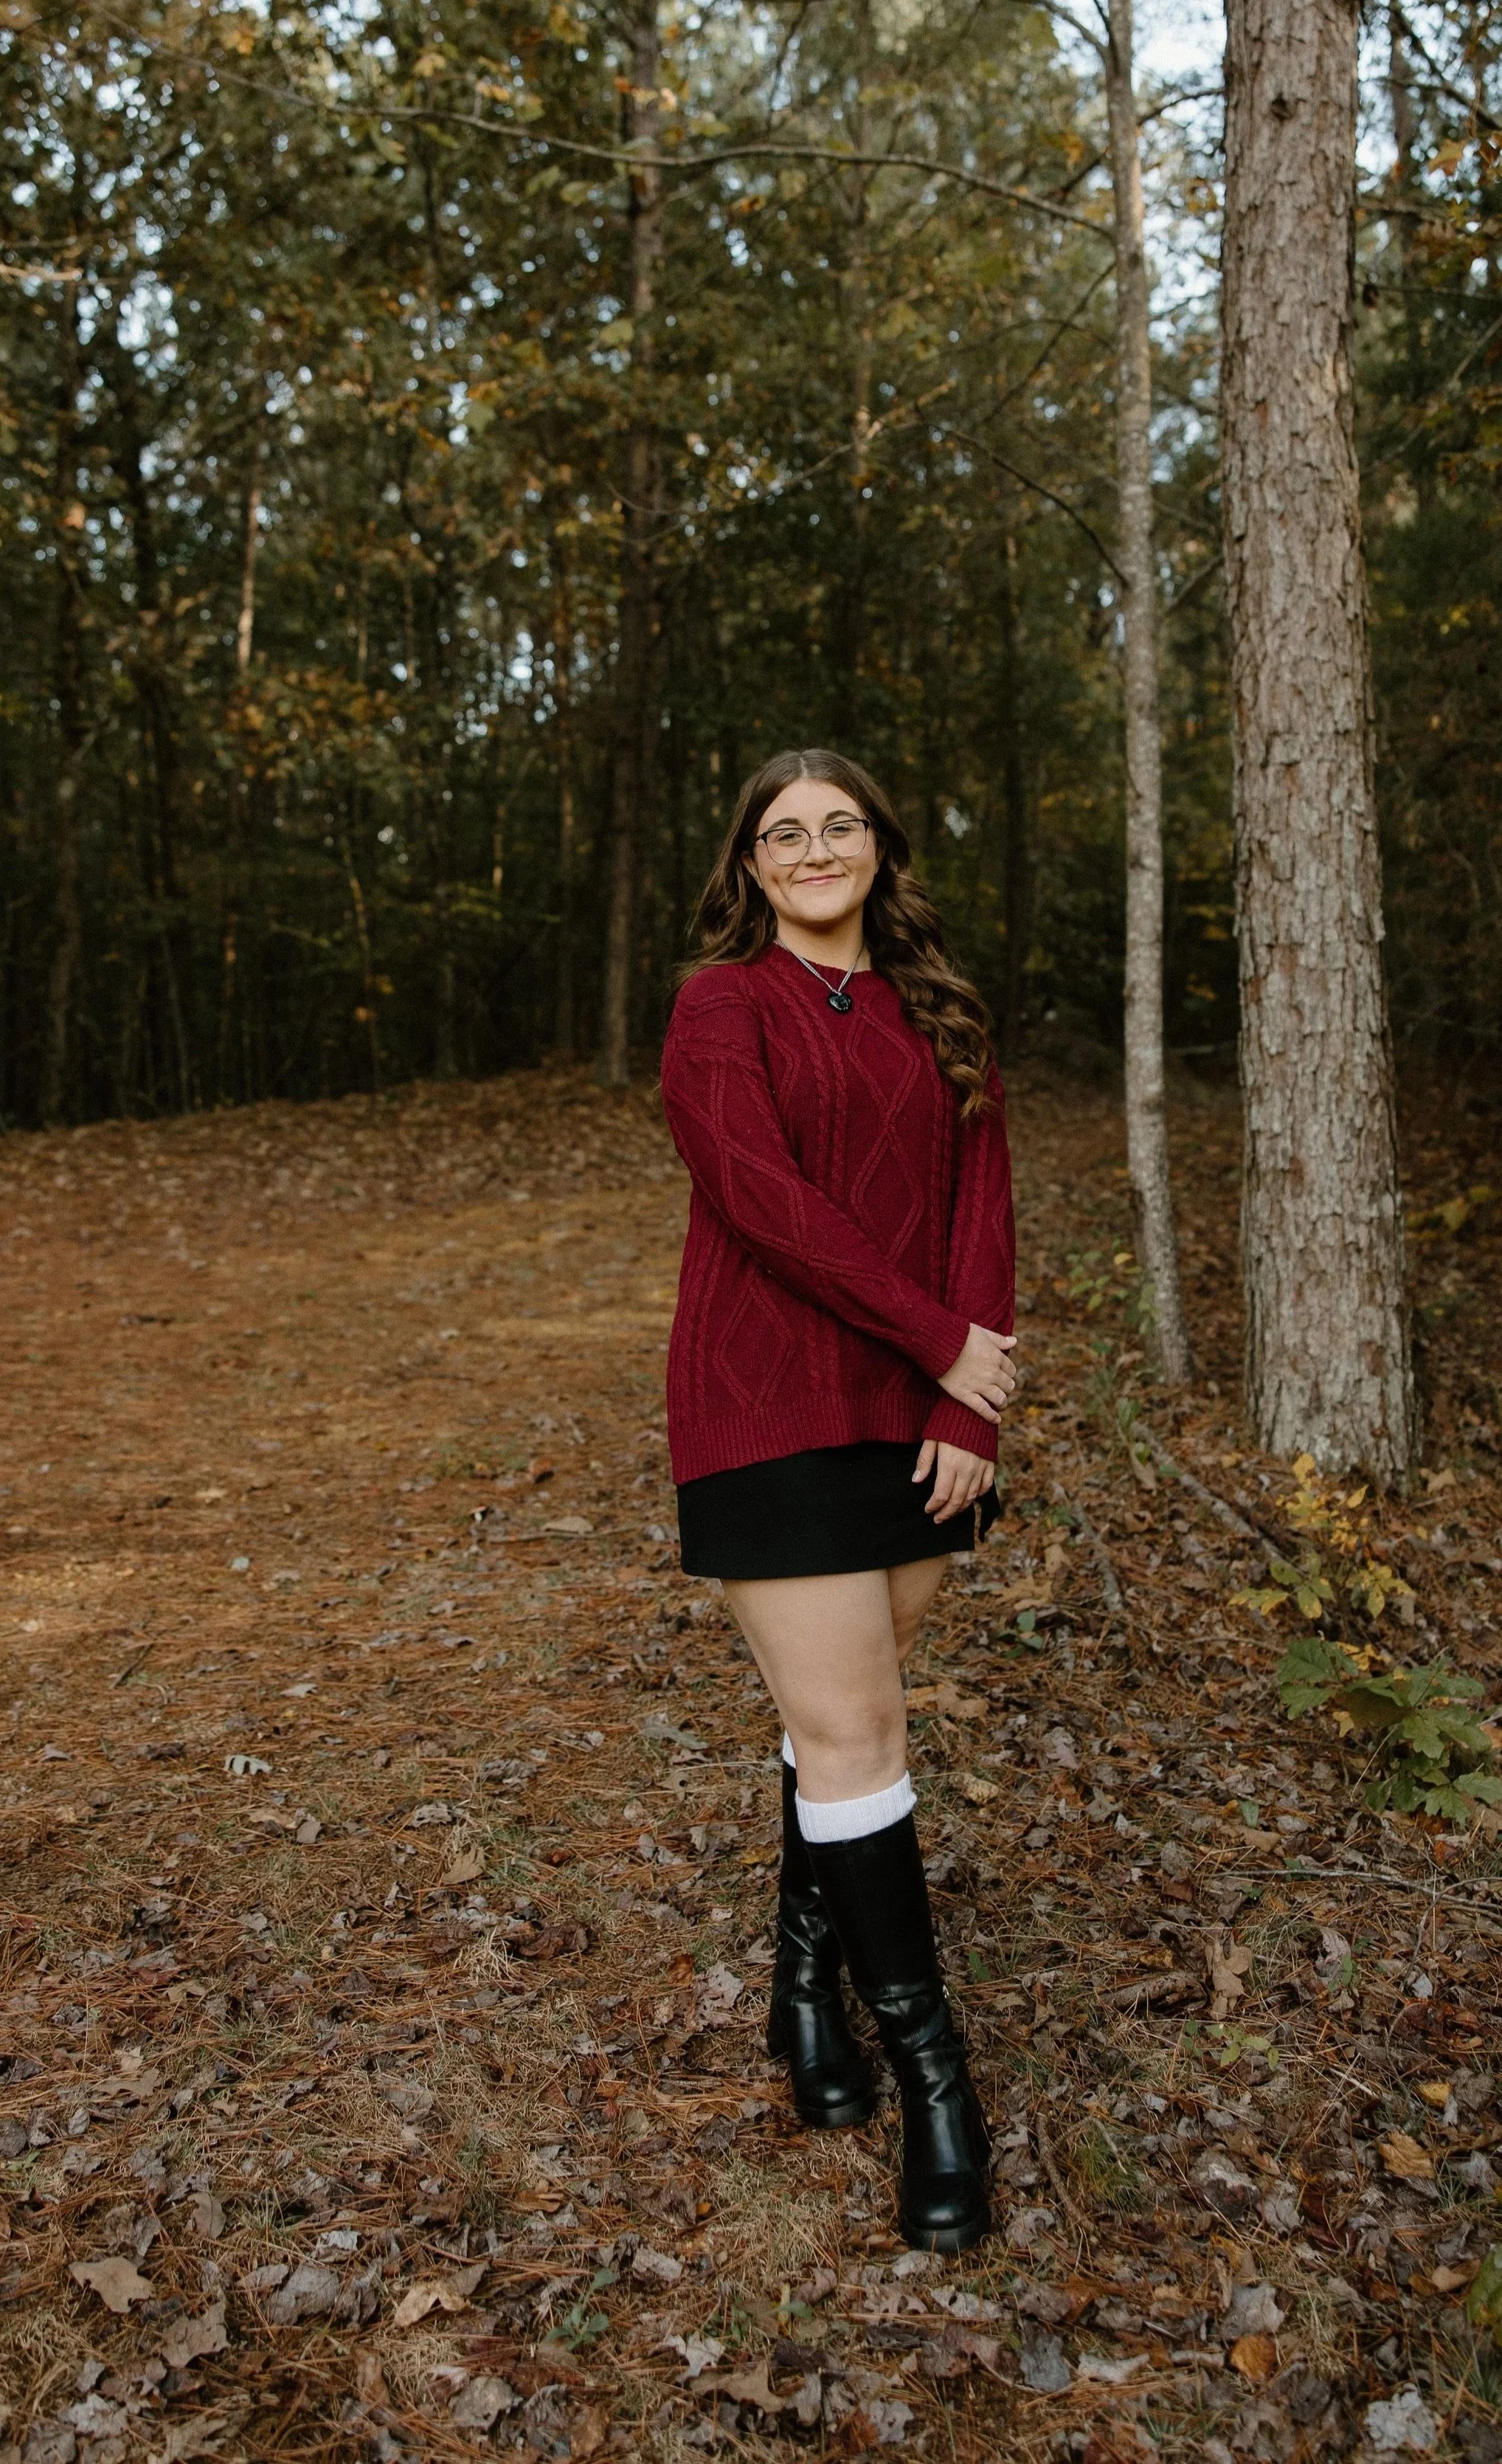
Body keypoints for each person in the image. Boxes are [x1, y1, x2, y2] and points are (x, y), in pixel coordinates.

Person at [660, 747, 1017, 2254]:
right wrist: (936, 1336)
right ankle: (937, 2084)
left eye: (840, 825)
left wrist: (964, 1398)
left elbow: (980, 1210)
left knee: (837, 1729)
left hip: (918, 1423)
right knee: (862, 1732)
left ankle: (805, 1990)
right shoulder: (718, 1005)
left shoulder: (942, 1011)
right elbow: (762, 1199)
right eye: (783, 832)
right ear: (750, 863)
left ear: (881, 846)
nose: (814, 849)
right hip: (767, 1402)